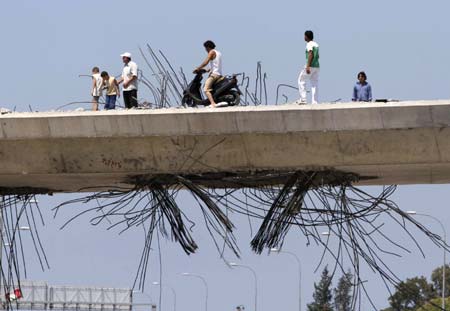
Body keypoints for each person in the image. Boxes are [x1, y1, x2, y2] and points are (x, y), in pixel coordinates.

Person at [194, 40, 223, 107]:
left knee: (206, 89)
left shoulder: (211, 52)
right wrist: (206, 70)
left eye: (205, 48)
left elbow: (206, 62)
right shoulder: (218, 53)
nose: (205, 50)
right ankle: (213, 100)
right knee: (211, 89)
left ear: (208, 47)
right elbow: (215, 65)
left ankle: (213, 103)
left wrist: (198, 68)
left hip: (214, 75)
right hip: (219, 74)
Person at [297, 30, 320, 104]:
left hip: (311, 65)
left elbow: (311, 54)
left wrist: (308, 66)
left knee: (301, 80)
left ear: (306, 37)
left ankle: (303, 99)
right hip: (317, 66)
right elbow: (318, 56)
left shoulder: (309, 44)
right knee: (314, 83)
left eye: (304, 36)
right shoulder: (316, 44)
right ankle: (315, 101)